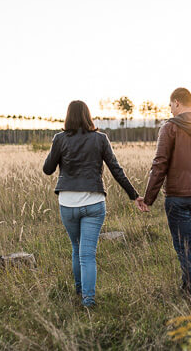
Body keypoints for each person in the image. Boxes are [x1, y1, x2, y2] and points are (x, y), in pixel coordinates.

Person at [43, 100, 144, 307]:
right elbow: (117, 170)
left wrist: (58, 149)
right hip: (94, 203)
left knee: (76, 248)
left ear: (68, 116)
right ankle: (88, 300)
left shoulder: (59, 139)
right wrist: (134, 195)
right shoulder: (100, 139)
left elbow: (47, 169)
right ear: (88, 116)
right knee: (87, 254)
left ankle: (79, 291)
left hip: (68, 204)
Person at [136, 88, 191, 305]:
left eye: (170, 105)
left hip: (179, 198)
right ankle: (187, 288)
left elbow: (159, 164)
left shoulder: (170, 128)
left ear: (176, 103)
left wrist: (148, 198)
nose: (170, 109)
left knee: (186, 249)